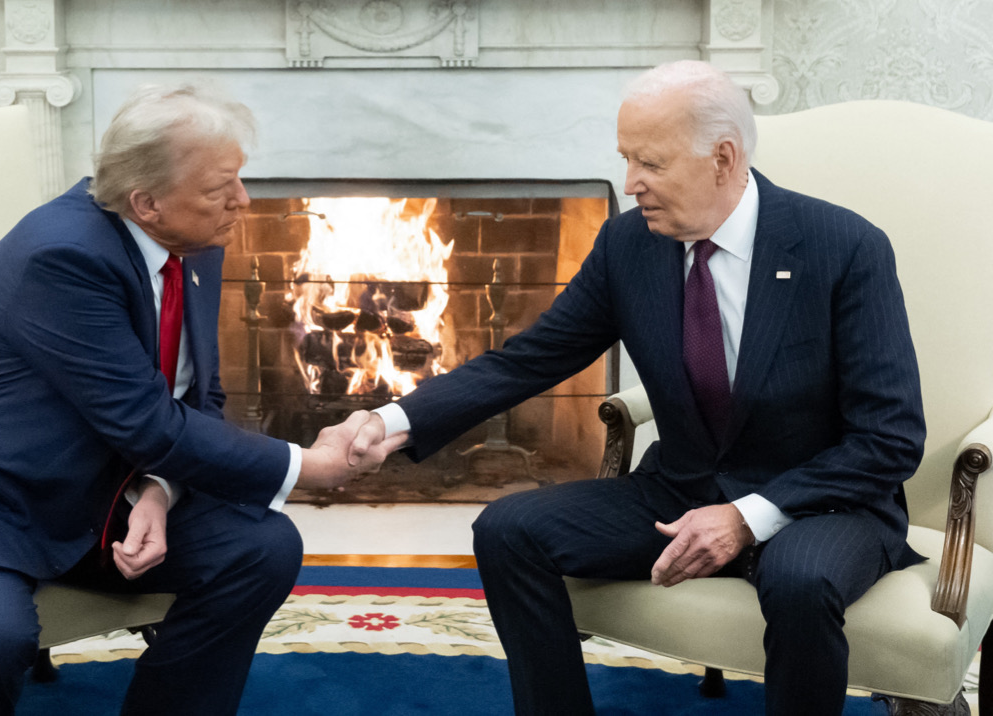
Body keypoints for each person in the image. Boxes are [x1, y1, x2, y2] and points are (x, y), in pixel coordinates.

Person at [349, 60, 925, 716]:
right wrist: (392, 422)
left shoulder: (843, 247)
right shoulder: (629, 245)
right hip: (680, 487)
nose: (631, 185)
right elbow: (526, 362)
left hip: (820, 503)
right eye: (626, 160)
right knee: (508, 530)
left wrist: (745, 517)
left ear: (724, 158)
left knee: (799, 580)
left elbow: (890, 439)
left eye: (650, 163)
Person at [0, 83, 398, 716]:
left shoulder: (193, 245)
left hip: (100, 492)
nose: (242, 201)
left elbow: (195, 398)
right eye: (221, 189)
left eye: (239, 180)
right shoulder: (63, 255)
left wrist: (157, 488)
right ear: (147, 202)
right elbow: (146, 418)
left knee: (260, 549)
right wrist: (308, 466)